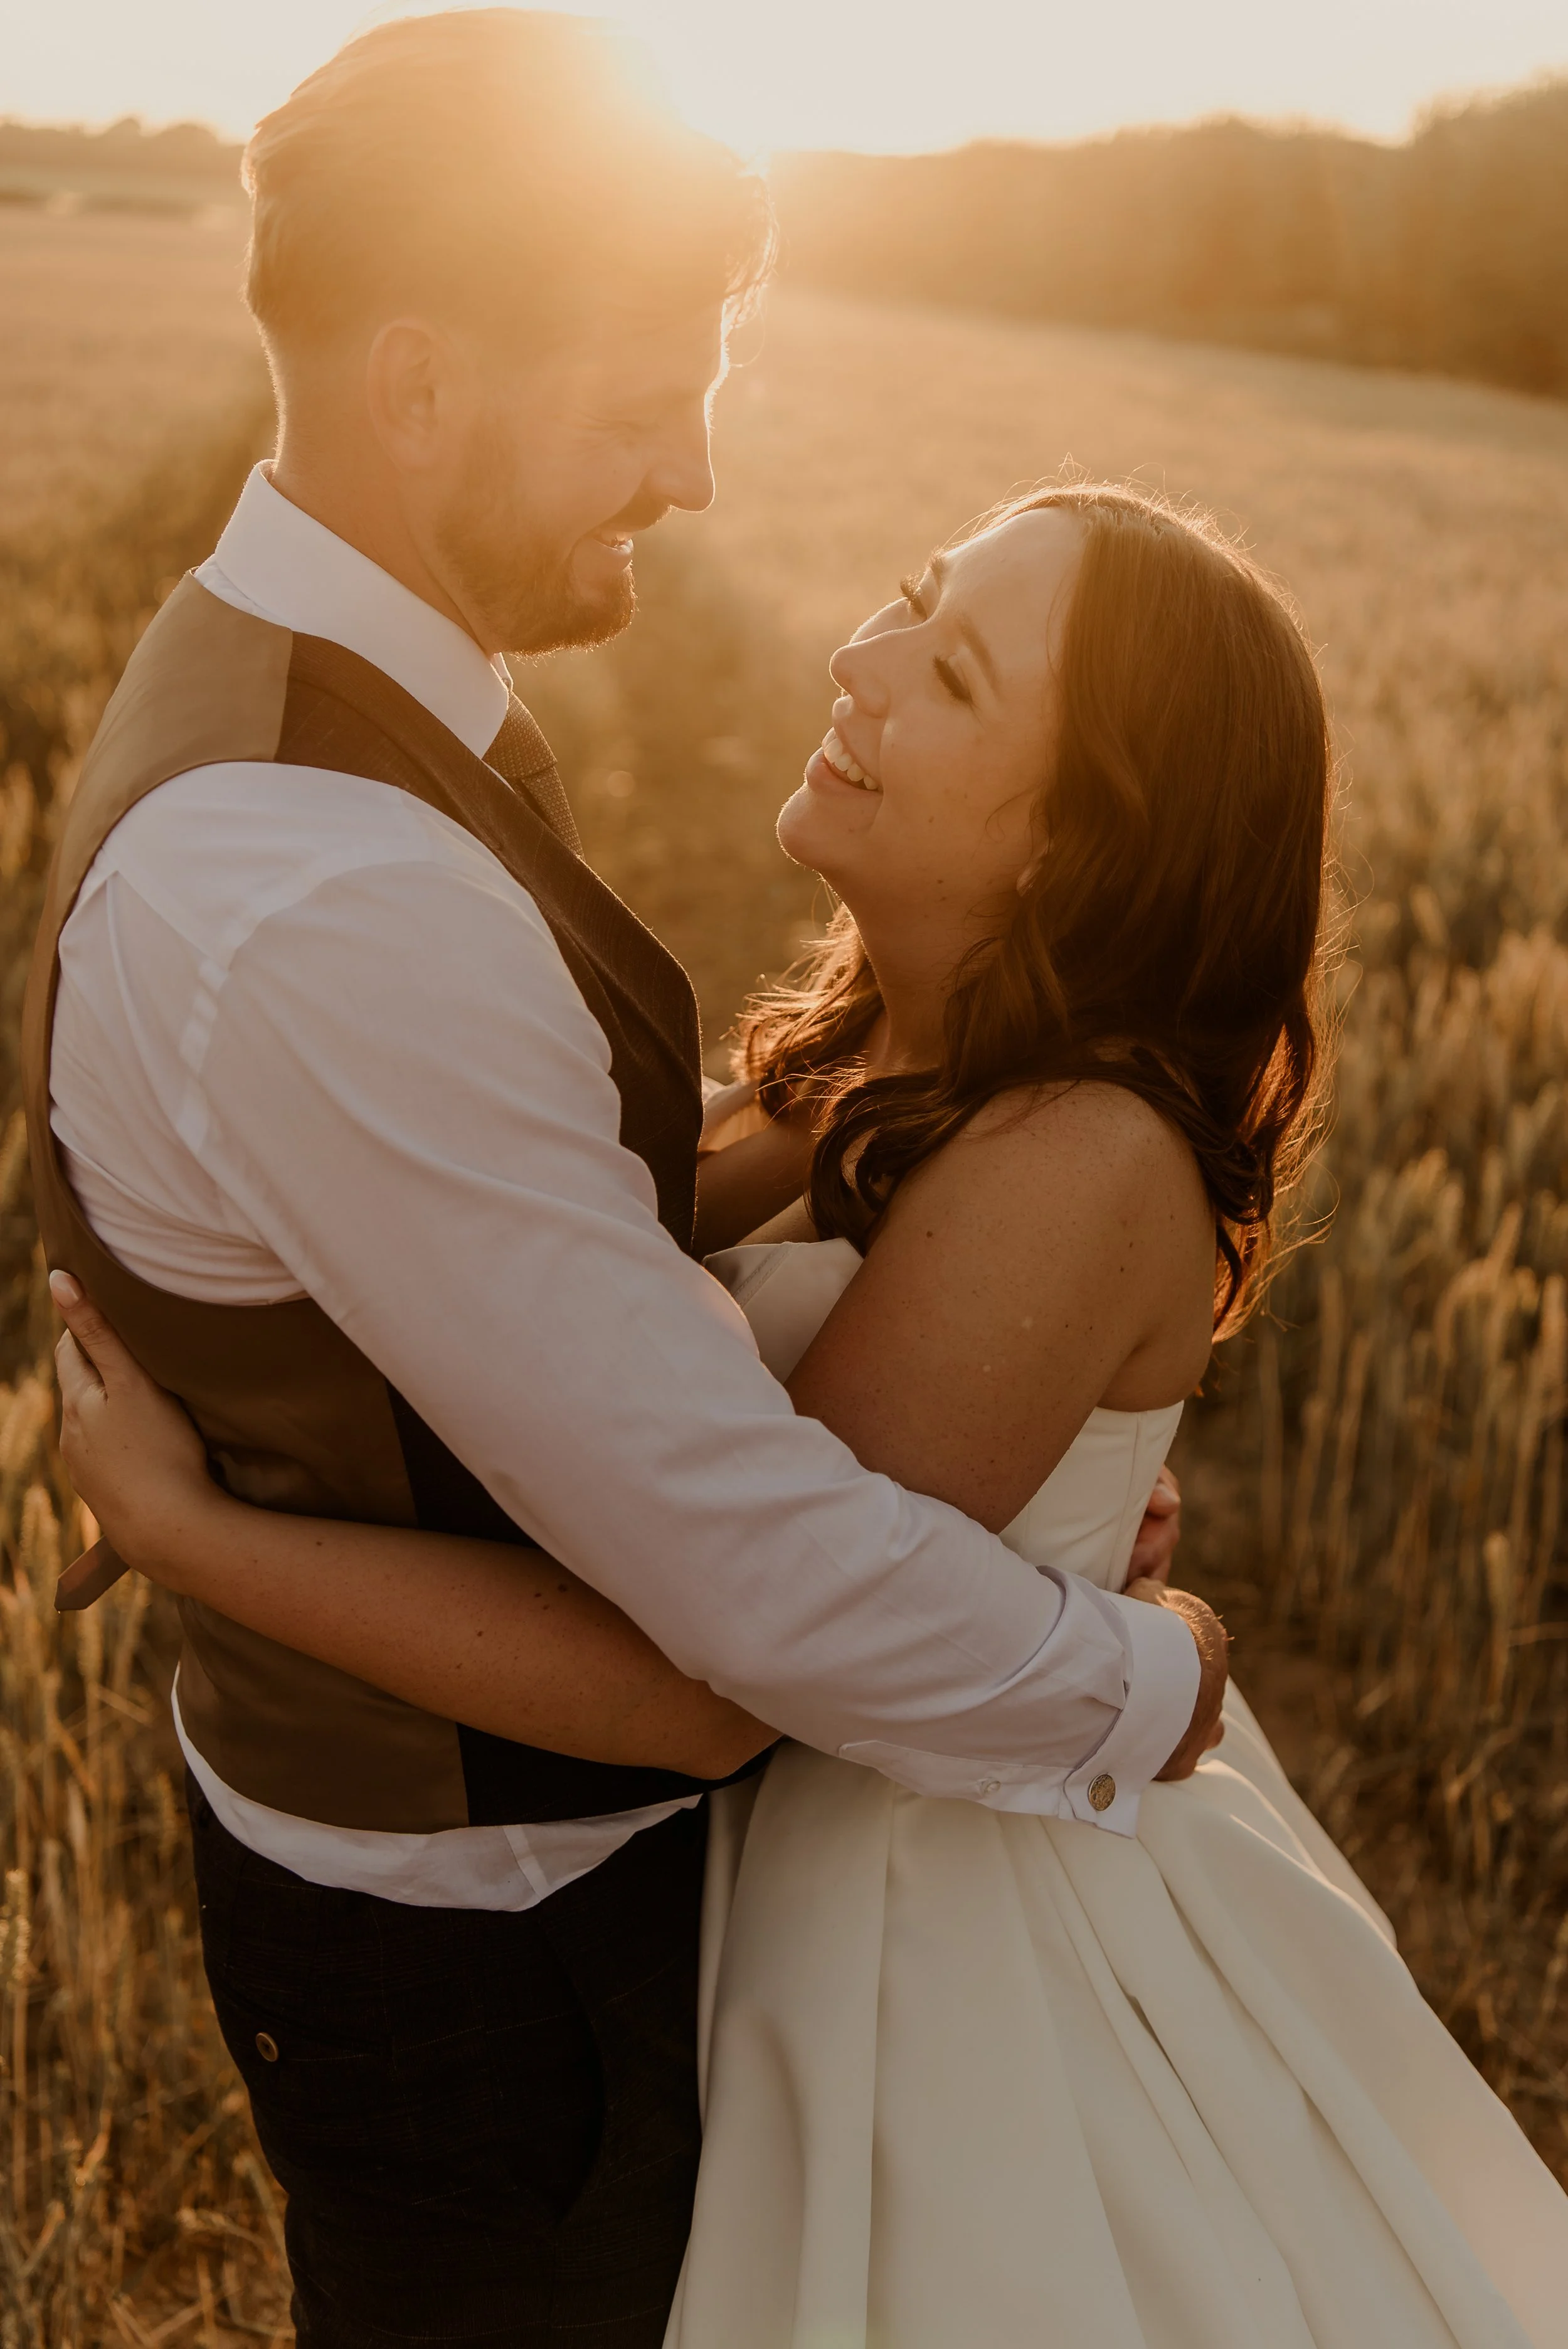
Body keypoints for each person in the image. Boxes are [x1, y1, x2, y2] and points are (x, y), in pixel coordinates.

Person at [55, 482, 1568, 2346]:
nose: (853, 662)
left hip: (942, 1943)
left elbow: (696, 1667)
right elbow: (552, 1238)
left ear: (1080, 836)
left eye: (945, 672)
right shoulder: (891, 1076)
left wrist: (196, 1531)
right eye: (902, 599)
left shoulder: (1067, 1153)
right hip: (801, 1880)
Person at [24, 16, 1222, 2347]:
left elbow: (496, 1251)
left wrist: (846, 1176)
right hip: (490, 1949)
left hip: (458, 1893)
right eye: (638, 395)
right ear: (420, 383)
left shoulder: (316, 692)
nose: (689, 469)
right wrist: (1127, 1679)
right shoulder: (324, 887)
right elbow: (721, 1642)